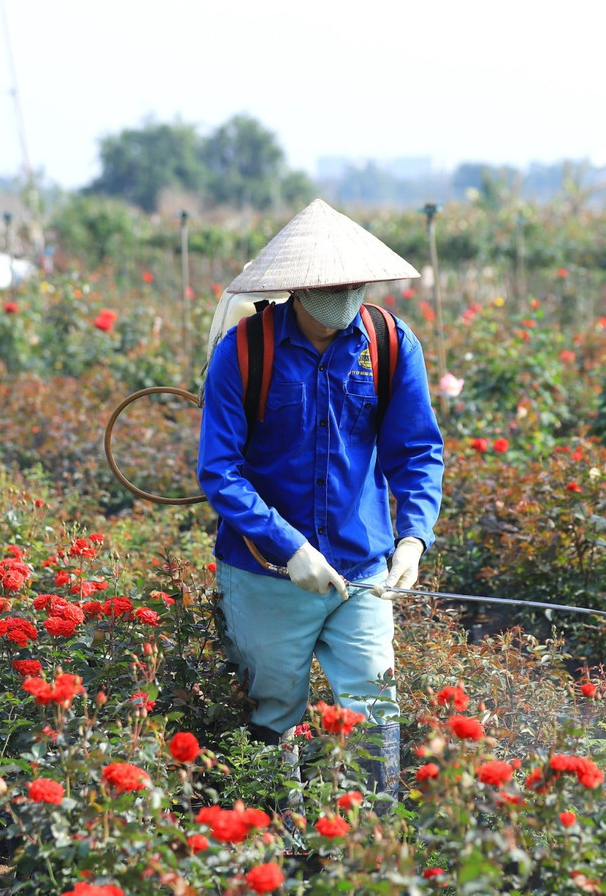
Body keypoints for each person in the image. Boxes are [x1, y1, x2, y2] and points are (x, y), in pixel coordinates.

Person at [197, 199, 445, 801]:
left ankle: (369, 850)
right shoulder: (244, 352)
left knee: (371, 707)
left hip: (364, 568)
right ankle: (278, 850)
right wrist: (289, 547)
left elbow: (416, 452)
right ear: (297, 288)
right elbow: (219, 471)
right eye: (327, 287)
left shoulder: (388, 343)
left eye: (352, 285)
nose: (341, 297)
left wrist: (412, 536)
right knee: (275, 711)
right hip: (265, 574)